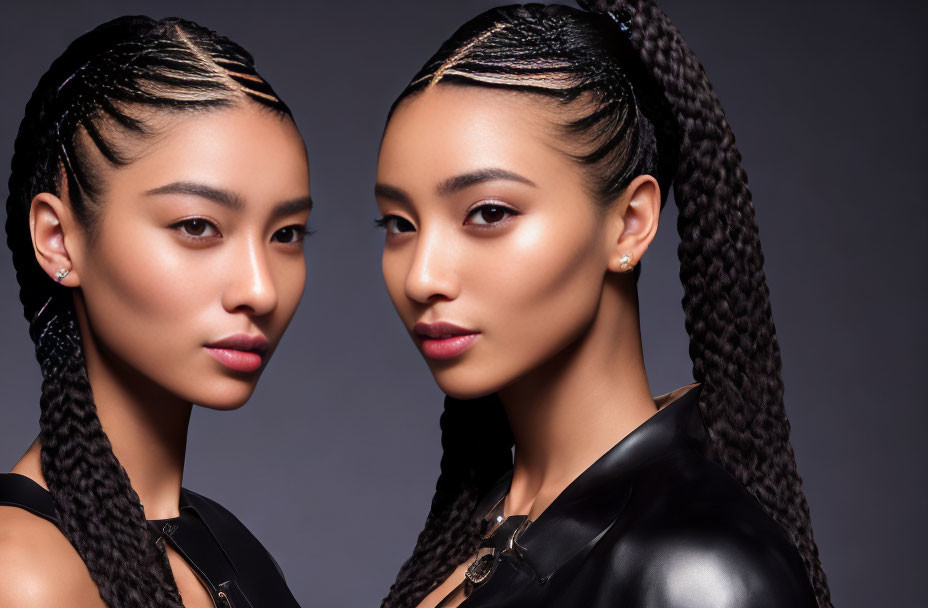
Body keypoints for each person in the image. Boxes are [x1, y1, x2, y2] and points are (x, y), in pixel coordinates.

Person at [374, 1, 831, 607]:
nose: (421, 276)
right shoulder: (488, 527)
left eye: (488, 213)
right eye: (400, 223)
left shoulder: (697, 574)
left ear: (629, 224)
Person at [0, 16, 309, 608]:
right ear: (58, 239)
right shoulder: (25, 573)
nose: (261, 289)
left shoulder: (223, 542)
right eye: (198, 226)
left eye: (287, 232)